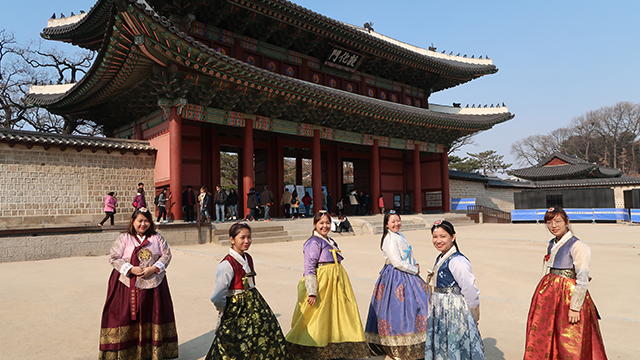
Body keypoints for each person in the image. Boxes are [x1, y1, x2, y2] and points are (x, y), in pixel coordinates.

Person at [523, 207, 607, 359]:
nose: (553, 226)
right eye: (549, 222)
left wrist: (575, 308)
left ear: (567, 222)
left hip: (568, 297)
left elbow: (582, 278)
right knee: (547, 333)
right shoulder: (552, 243)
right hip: (550, 297)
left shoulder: (578, 246)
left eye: (557, 221)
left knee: (569, 340)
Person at [285, 211, 370, 359]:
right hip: (323, 282)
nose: (325, 226)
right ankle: (308, 348)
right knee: (317, 315)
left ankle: (335, 347)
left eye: (327, 223)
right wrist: (312, 291)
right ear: (315, 225)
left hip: (336, 282)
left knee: (336, 314)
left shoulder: (330, 240)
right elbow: (309, 267)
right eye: (321, 223)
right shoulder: (313, 242)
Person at [98, 208, 178, 360]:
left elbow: (166, 255)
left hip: (154, 285)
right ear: (132, 221)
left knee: (152, 316)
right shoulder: (124, 238)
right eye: (139, 221)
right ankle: (126, 353)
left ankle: (151, 352)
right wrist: (131, 269)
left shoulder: (157, 238)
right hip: (126, 285)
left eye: (146, 221)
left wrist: (154, 268)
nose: (143, 224)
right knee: (124, 317)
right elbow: (113, 257)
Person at [206, 222, 294, 359]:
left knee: (264, 334)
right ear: (232, 239)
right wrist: (224, 309)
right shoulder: (226, 264)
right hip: (236, 307)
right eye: (242, 238)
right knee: (233, 342)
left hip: (255, 303)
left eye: (249, 237)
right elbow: (218, 294)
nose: (246, 241)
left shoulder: (248, 258)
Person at [365, 210, 429, 359]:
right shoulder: (388, 239)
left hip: (408, 273)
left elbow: (407, 255)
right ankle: (398, 344)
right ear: (386, 224)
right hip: (395, 277)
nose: (396, 223)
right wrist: (414, 270)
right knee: (398, 311)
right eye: (393, 221)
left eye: (398, 220)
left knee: (418, 305)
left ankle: (418, 340)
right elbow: (397, 262)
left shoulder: (400, 235)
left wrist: (415, 263)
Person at [425, 220, 484, 360]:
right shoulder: (441, 257)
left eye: (443, 236)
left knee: (453, 340)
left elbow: (469, 289)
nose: (438, 240)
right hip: (440, 307)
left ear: (453, 237)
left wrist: (473, 314)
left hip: (453, 309)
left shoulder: (458, 261)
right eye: (435, 237)